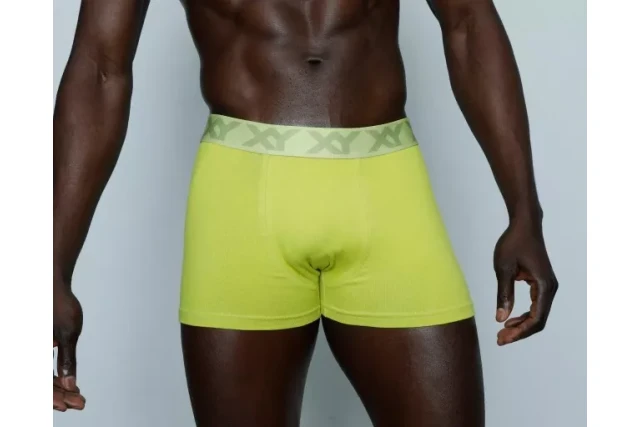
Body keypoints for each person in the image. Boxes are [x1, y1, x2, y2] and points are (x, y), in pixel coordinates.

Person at [53, 0, 559, 425]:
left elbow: (468, 22)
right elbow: (99, 68)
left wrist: (524, 211)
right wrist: (52, 267)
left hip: (388, 189)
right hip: (241, 201)